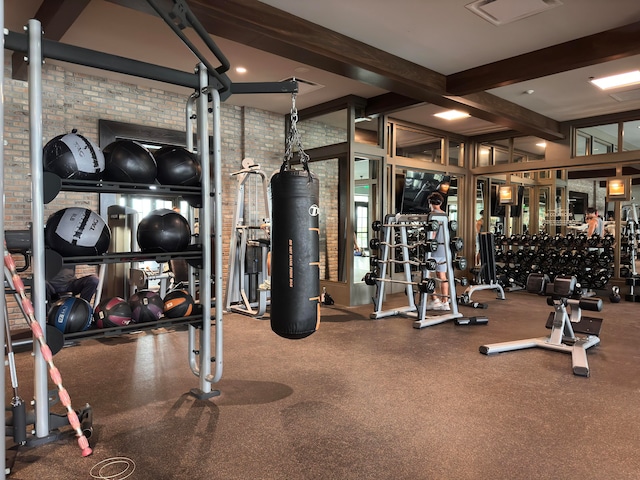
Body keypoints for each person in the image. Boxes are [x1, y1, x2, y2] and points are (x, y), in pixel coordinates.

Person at [426, 191, 450, 311]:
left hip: (434, 250)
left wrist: (428, 244)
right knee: (442, 275)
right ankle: (445, 302)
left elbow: (433, 232)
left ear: (430, 203)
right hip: (444, 250)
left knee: (427, 275)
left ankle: (435, 300)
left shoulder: (432, 215)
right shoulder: (445, 214)